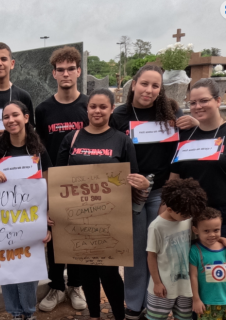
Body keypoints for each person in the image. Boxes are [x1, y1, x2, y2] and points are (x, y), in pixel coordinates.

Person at [110, 65, 199, 320]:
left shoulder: (171, 112)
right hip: (132, 195)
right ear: (134, 84)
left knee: (162, 250)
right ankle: (135, 305)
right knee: (137, 252)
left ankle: (158, 302)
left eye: (155, 85)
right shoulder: (120, 115)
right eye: (144, 84)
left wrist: (194, 124)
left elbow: (185, 150)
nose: (149, 90)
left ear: (161, 89)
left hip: (162, 192)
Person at [56, 88, 150, 320]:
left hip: (110, 217)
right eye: (93, 106)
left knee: (109, 272)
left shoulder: (122, 140)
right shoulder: (72, 138)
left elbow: (132, 178)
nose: (97, 111)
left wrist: (142, 183)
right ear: (86, 109)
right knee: (86, 270)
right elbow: (57, 179)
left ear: (111, 109)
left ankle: (118, 315)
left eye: (103, 107)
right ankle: (94, 315)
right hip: (78, 216)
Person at [0, 100, 51, 320]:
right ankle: (14, 312)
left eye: (15, 115)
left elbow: (49, 186)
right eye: (6, 117)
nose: (10, 120)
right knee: (6, 266)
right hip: (4, 221)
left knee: (28, 266)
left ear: (26, 118)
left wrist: (46, 221)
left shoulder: (38, 151)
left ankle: (28, 313)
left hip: (31, 220)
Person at [35, 45, 88, 312]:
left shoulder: (89, 105)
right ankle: (56, 286)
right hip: (54, 181)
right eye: (60, 70)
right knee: (54, 234)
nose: (66, 73)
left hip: (84, 183)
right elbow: (39, 148)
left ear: (78, 71)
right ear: (53, 74)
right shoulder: (43, 109)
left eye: (70, 69)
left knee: (78, 234)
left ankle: (75, 285)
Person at [145, 178, 208, 320]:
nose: (189, 217)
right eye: (186, 215)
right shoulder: (156, 227)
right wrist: (157, 283)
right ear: (169, 209)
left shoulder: (186, 217)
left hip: (186, 286)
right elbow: (151, 256)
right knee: (155, 317)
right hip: (163, 287)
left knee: (184, 317)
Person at [170, 79, 226, 236]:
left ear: (218, 101)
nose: (197, 106)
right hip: (189, 215)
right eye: (192, 103)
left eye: (204, 101)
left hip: (221, 218)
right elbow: (175, 177)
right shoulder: (186, 136)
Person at [190, 207, 226, 320]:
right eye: (206, 231)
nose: (212, 235)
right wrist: (196, 299)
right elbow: (193, 276)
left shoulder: (224, 246)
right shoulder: (195, 250)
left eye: (216, 230)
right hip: (207, 303)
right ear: (195, 230)